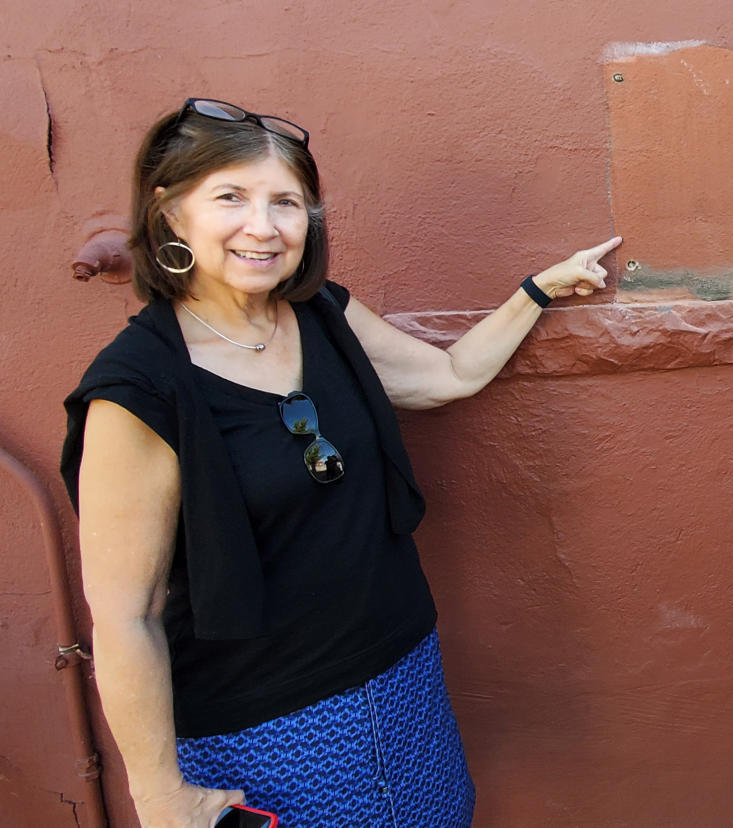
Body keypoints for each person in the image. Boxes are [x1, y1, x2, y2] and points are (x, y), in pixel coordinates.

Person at [61, 98, 621, 827]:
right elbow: (124, 618)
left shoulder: (320, 310)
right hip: (265, 721)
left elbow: (446, 377)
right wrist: (159, 794)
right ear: (170, 214)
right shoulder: (137, 392)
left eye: (285, 203)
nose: (263, 226)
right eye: (231, 197)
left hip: (398, 673)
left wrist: (537, 291)